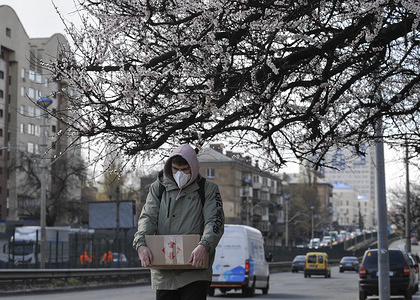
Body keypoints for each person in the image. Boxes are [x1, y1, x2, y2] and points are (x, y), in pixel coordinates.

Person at [133, 144, 224, 300]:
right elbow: (147, 217)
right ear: (169, 167)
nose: (180, 173)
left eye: (185, 169)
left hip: (195, 269)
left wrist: (204, 245)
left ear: (194, 167)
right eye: (175, 169)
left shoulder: (208, 189)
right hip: (164, 271)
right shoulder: (158, 188)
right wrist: (140, 244)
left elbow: (214, 221)